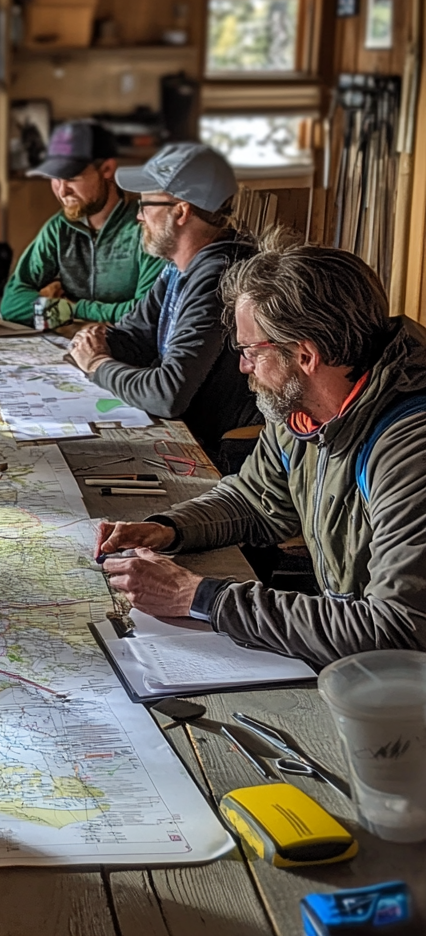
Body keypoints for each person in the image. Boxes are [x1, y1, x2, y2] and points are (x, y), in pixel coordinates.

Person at [96, 241, 426, 670]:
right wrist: (166, 529)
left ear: (305, 355)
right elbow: (257, 499)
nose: (243, 368)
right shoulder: (300, 406)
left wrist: (197, 597)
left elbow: (398, 630)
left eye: (251, 351)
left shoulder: (409, 447)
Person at [68, 142, 261, 468]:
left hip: (222, 460)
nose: (139, 216)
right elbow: (133, 339)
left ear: (181, 211)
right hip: (187, 440)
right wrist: (92, 344)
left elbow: (168, 394)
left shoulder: (221, 276)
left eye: (145, 204)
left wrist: (97, 364)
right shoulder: (179, 266)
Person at [0, 120, 161, 327]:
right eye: (55, 178)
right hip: (73, 349)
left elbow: (146, 314)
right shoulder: (59, 228)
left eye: (72, 178)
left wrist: (75, 309)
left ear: (107, 169)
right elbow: (11, 303)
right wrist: (65, 310)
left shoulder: (146, 227)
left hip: (131, 354)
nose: (62, 191)